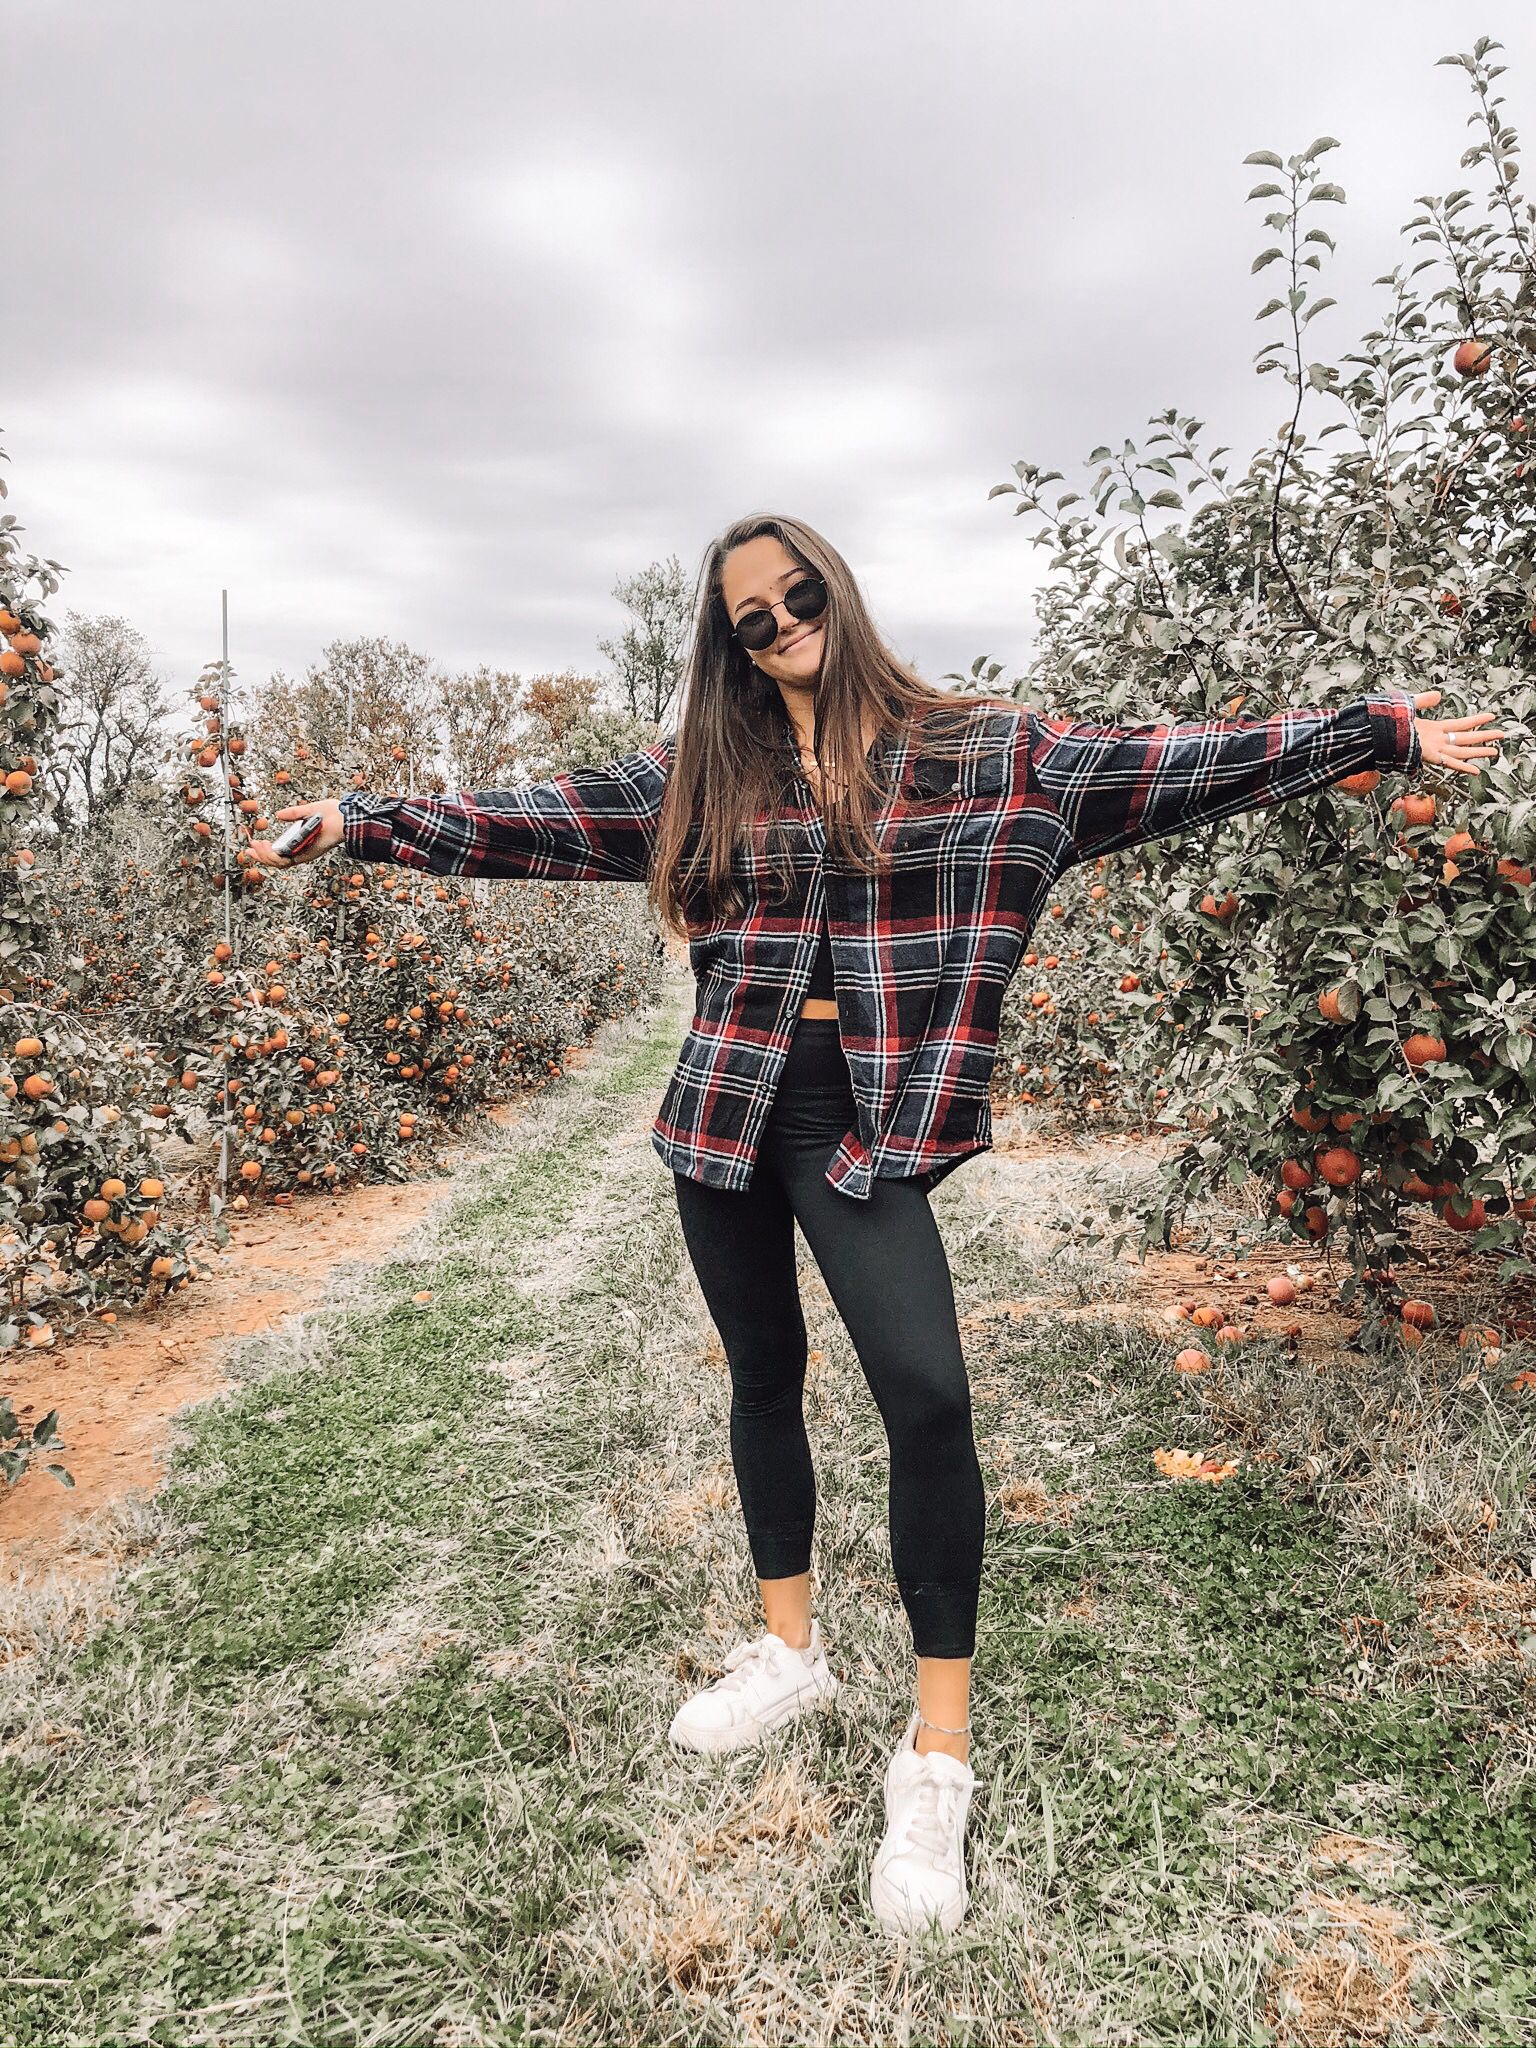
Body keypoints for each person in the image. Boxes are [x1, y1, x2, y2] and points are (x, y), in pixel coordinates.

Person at [252, 512, 1506, 1937]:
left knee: (926, 1397)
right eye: (750, 619)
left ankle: (939, 1752)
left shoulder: (992, 752)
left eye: (797, 597)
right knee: (763, 1376)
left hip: (867, 1119)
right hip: (727, 1108)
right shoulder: (699, 777)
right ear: (728, 645)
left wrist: (1373, 733)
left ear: (835, 594)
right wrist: (362, 825)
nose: (782, 626)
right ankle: (791, 1651)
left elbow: (1186, 764)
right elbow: (526, 821)